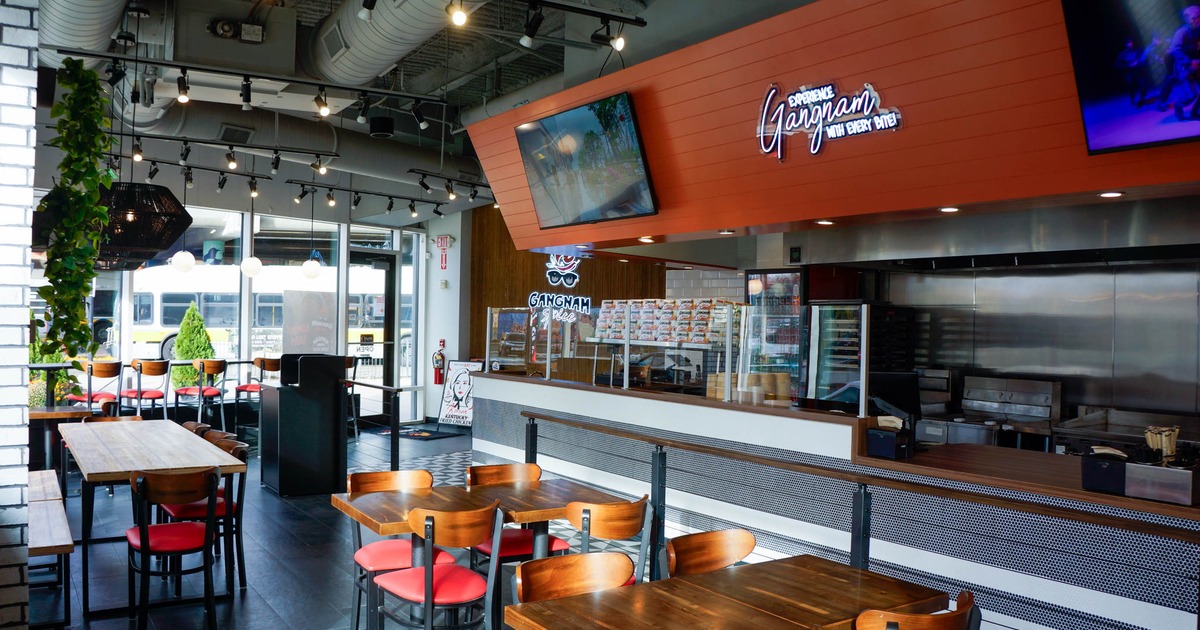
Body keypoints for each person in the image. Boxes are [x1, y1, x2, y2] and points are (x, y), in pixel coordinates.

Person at [1156, 5, 1200, 120]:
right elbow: (1175, 49)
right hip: (1184, 68)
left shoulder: (1197, 31)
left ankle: (1194, 112)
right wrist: (1188, 62)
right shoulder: (1182, 32)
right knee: (1191, 95)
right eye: (1197, 18)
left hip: (1196, 65)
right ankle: (1178, 106)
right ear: (1191, 19)